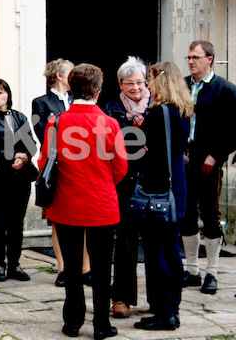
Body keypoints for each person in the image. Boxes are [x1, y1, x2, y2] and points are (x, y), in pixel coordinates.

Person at [38, 63, 127, 340]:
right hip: (102, 204)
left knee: (73, 268)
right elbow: (121, 167)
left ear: (71, 88)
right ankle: (101, 324)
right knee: (101, 270)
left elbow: (44, 162)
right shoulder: (110, 123)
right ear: (98, 92)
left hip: (66, 205)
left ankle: (73, 322)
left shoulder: (57, 122)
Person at [133, 61, 193, 331]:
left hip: (159, 189)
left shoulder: (158, 113)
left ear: (162, 80)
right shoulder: (184, 111)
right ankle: (173, 309)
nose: (148, 84)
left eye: (151, 79)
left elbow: (144, 147)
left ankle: (165, 312)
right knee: (172, 251)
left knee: (156, 251)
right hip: (177, 187)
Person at [182, 40, 236, 295]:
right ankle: (192, 270)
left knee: (210, 215)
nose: (191, 61)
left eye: (196, 57)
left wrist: (216, 155)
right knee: (186, 214)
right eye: (189, 57)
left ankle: (211, 272)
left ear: (209, 59)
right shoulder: (182, 85)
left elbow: (233, 128)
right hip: (184, 160)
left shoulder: (225, 89)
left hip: (209, 162)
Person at [32, 59, 91, 288]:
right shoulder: (41, 102)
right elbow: (41, 134)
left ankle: (86, 268)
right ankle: (63, 267)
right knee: (57, 219)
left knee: (84, 219)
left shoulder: (79, 100)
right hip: (56, 166)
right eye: (70, 72)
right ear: (58, 75)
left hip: (81, 166)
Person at [103, 56, 151, 318]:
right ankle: (121, 298)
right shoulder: (111, 110)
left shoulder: (156, 107)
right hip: (123, 182)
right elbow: (112, 145)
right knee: (125, 241)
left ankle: (158, 299)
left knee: (156, 241)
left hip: (152, 180)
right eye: (130, 83)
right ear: (120, 84)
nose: (135, 88)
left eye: (140, 82)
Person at [0, 79, 37, 282]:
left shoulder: (19, 117)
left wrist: (24, 157)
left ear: (8, 95)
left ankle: (14, 265)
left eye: (1, 93)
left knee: (16, 223)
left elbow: (31, 143)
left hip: (20, 177)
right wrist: (13, 156)